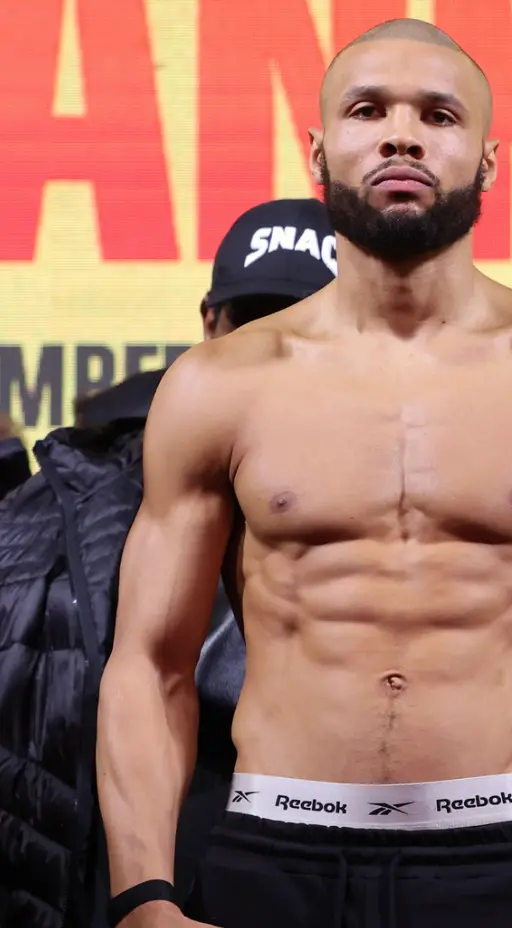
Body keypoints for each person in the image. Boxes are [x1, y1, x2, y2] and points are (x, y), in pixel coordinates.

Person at [94, 18, 512, 928]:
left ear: (489, 159)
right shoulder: (219, 385)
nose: (401, 134)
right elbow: (150, 665)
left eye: (437, 114)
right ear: (318, 148)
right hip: (275, 856)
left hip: (502, 859)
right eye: (368, 110)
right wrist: (144, 894)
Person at [0, 197, 338, 928]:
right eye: (251, 322)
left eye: (301, 329)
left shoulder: (428, 511)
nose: (267, 354)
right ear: (208, 325)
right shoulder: (74, 503)